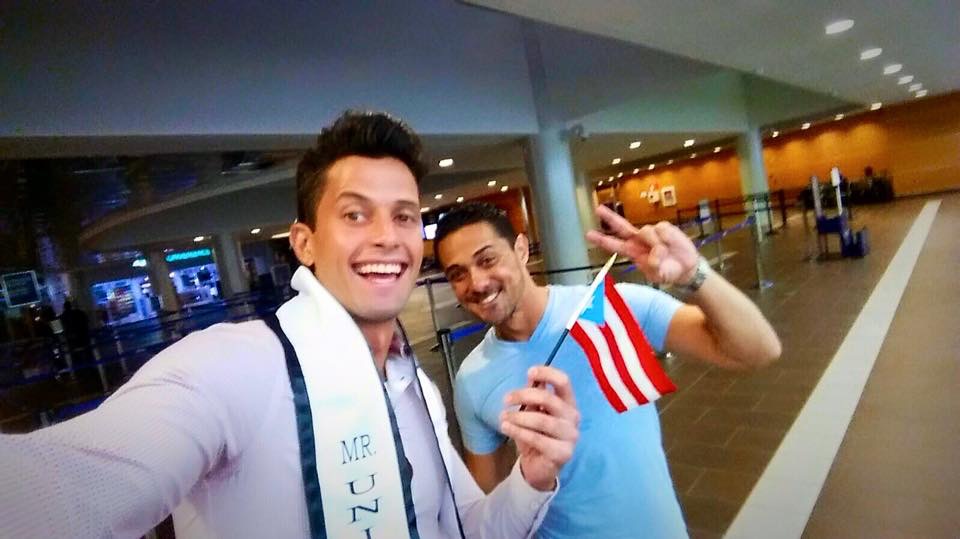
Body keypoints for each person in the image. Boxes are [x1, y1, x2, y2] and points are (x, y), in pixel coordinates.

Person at [0, 112, 580, 539]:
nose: (387, 236)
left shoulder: (416, 388)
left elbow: (469, 527)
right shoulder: (234, 367)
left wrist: (530, 478)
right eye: (355, 214)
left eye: (404, 216)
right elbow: (55, 493)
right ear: (304, 243)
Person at [433, 202, 782, 538]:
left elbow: (759, 350)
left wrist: (695, 276)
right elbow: (489, 510)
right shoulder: (472, 380)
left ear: (521, 250)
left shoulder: (612, 307)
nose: (477, 283)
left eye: (487, 260)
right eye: (458, 274)